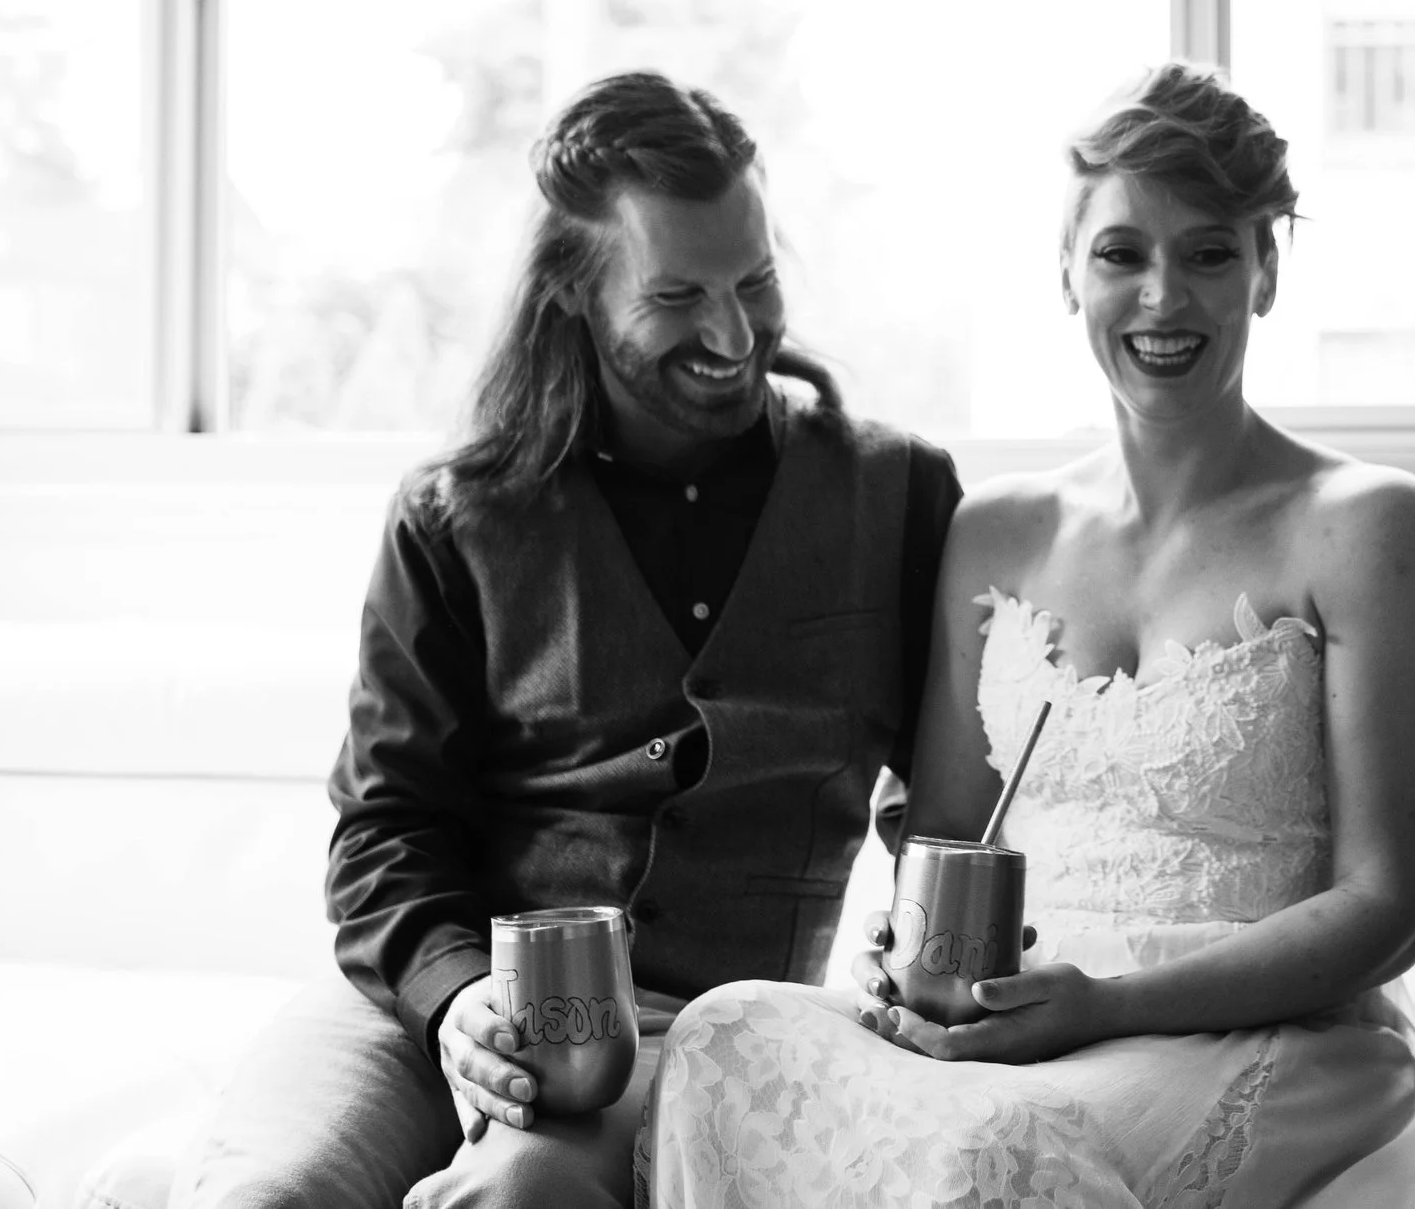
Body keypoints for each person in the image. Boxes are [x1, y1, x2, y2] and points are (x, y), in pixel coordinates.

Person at [639, 64, 1415, 1205]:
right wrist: (913, 954)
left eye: (1211, 252)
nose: (1162, 297)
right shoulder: (998, 532)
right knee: (720, 1033)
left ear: (1267, 268)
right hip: (1016, 1019)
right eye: (1122, 252)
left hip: (1261, 1035)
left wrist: (1108, 1001)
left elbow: (1388, 908)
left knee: (990, 1149)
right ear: (1067, 274)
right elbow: (942, 833)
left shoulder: (1369, 527)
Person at [170, 72, 962, 1208]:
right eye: (678, 294)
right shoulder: (456, 515)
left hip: (690, 1033)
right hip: (420, 1009)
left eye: (757, 280)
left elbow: (947, 804)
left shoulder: (899, 493)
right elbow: (385, 829)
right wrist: (453, 1000)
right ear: (575, 299)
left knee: (525, 1191)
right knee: (262, 1196)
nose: (734, 333)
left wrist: (930, 931)